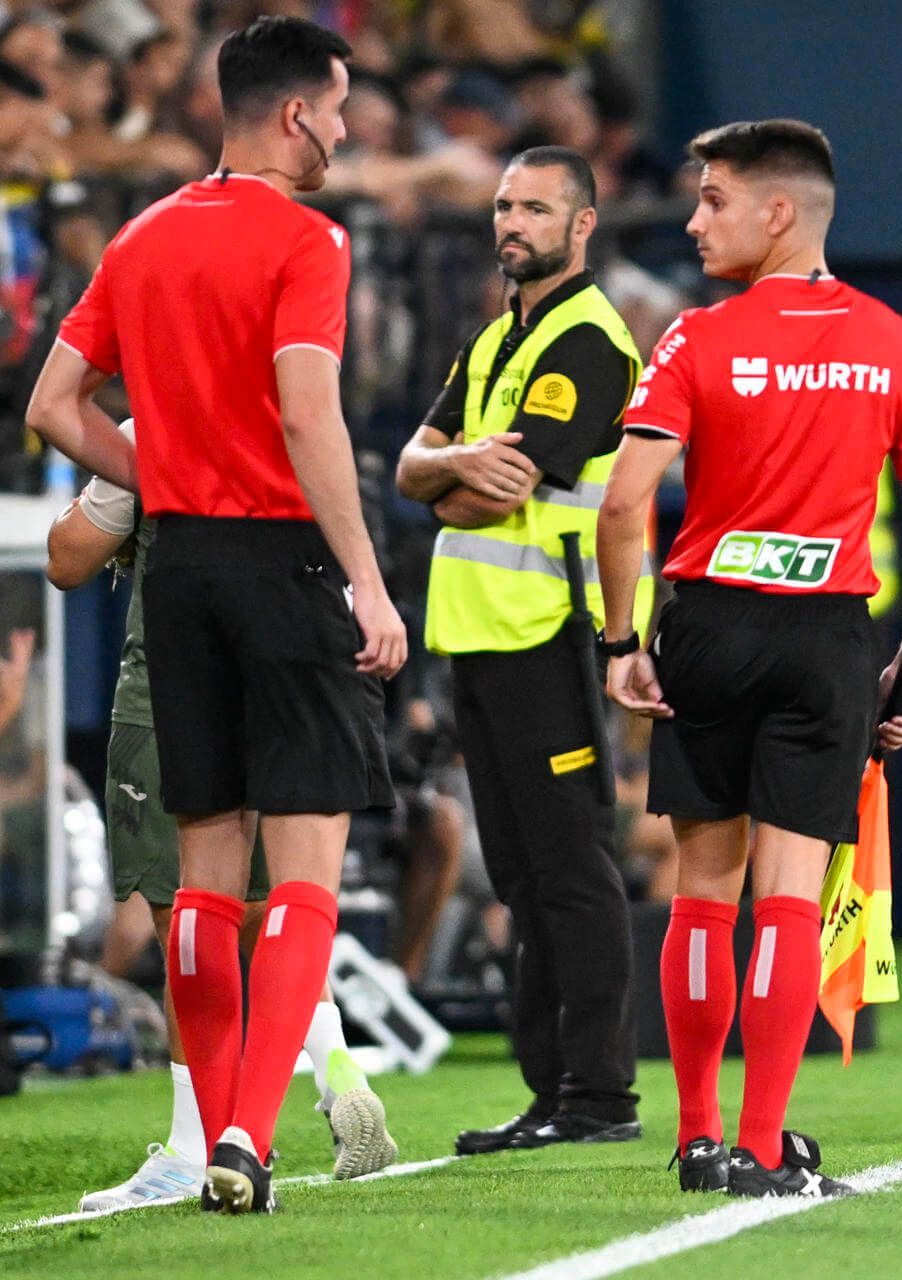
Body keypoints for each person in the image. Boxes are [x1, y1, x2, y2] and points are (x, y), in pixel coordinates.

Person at [25, 16, 407, 1215]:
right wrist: (366, 574)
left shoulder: (139, 239)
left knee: (201, 874)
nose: (343, 131)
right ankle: (244, 1130)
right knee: (301, 872)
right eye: (337, 110)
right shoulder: (308, 241)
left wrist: (157, 468)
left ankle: (208, 1137)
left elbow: (52, 404)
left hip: (176, 571)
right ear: (296, 115)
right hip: (286, 566)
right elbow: (308, 415)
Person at [597, 118, 902, 1199]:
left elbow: (625, 500)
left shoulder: (696, 338)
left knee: (703, 890)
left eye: (713, 200)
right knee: (790, 897)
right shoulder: (896, 341)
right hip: (826, 639)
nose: (694, 219)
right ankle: (764, 1144)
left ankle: (700, 1134)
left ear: (778, 212)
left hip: (708, 625)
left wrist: (622, 639)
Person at [46, 420, 397, 1210]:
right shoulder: (291, 417)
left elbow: (68, 556)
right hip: (299, 656)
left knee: (188, 907)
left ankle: (196, 1139)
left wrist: (93, 501)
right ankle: (333, 1064)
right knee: (282, 900)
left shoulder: (152, 430)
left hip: (174, 685)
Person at [395, 145, 645, 1154]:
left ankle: (601, 1096)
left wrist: (441, 475)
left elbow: (491, 484)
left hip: (551, 634)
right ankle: (551, 1090)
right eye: (504, 205)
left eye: (535, 208)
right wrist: (450, 467)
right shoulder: (499, 338)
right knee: (522, 876)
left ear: (582, 226)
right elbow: (422, 467)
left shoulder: (588, 341)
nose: (512, 223)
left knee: (573, 868)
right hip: (481, 636)